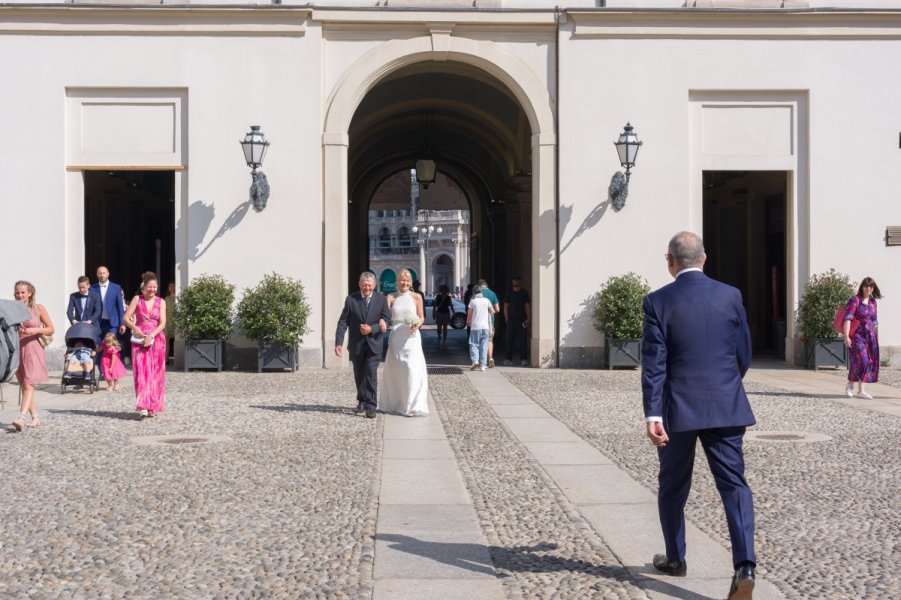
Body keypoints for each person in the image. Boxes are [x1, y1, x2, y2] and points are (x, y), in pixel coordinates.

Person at [641, 232, 756, 600]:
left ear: (670, 261)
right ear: (704, 258)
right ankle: (745, 566)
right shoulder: (731, 295)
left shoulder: (658, 301)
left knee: (673, 487)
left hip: (678, 410)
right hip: (726, 404)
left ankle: (675, 558)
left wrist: (652, 415)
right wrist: (724, 386)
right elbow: (744, 354)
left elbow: (653, 366)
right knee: (734, 486)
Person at [335, 272, 390, 419]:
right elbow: (342, 322)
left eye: (369, 285)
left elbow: (387, 320)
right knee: (359, 374)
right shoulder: (351, 299)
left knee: (370, 373)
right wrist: (338, 343)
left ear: (374, 285)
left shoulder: (381, 299)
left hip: (374, 344)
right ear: (359, 285)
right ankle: (362, 400)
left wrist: (373, 328)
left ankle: (371, 406)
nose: (367, 287)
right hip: (357, 344)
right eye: (364, 285)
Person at [381, 269, 429, 416]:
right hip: (396, 337)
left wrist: (418, 324)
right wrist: (382, 320)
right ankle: (398, 402)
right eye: (402, 280)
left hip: (412, 337)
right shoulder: (391, 297)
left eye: (407, 280)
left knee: (411, 368)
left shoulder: (417, 297)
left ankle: (411, 405)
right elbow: (383, 313)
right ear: (397, 282)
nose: (405, 283)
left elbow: (421, 317)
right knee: (398, 370)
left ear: (411, 282)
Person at [12, 281, 55, 431]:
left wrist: (36, 330)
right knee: (24, 385)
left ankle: (21, 417)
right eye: (17, 292)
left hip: (33, 349)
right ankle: (35, 417)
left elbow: (51, 329)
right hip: (17, 349)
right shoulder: (12, 310)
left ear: (30, 293)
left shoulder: (38, 309)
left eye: (23, 292)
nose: (20, 295)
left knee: (29, 384)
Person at [124, 272, 167, 418]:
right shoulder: (137, 299)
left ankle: (152, 406)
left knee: (155, 373)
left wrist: (152, 335)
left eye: (155, 287)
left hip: (157, 340)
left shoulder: (161, 302)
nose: (152, 290)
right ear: (144, 287)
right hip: (140, 340)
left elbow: (163, 323)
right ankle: (143, 405)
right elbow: (126, 318)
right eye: (150, 287)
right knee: (141, 372)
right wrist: (135, 328)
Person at [842, 277, 882, 399]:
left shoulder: (873, 302)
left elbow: (875, 321)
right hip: (857, 335)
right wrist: (846, 336)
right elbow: (848, 318)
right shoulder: (854, 300)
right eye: (866, 286)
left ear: (873, 288)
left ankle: (861, 391)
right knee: (862, 360)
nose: (868, 288)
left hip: (870, 336)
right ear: (862, 287)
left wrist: (876, 338)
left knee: (866, 362)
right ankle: (850, 384)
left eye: (871, 286)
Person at [91, 266, 126, 357]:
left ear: (108, 274)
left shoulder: (116, 287)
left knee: (111, 346)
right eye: (100, 273)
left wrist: (122, 323)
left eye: (104, 273)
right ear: (97, 275)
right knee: (99, 347)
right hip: (98, 323)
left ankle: (111, 369)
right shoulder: (92, 288)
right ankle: (101, 369)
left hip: (112, 323)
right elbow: (90, 308)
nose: (102, 275)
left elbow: (120, 307)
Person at [503, 276, 531, 366]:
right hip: (511, 320)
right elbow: (505, 307)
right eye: (514, 280)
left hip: (522, 320)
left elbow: (527, 306)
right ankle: (508, 359)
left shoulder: (524, 293)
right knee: (509, 340)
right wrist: (507, 320)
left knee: (523, 340)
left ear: (520, 282)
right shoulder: (509, 293)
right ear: (512, 282)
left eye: (517, 280)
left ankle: (524, 359)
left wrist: (528, 318)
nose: (515, 282)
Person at [466, 285, 495, 371]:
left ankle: (475, 361)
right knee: (484, 345)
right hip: (485, 327)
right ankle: (483, 365)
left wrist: (468, 322)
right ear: (481, 292)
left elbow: (469, 314)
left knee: (474, 344)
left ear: (473, 293)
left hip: (475, 326)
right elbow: (493, 311)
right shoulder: (487, 300)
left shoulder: (473, 301)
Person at [66, 275, 102, 341]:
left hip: (92, 326)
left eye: (83, 287)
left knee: (95, 348)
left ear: (88, 286)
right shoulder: (73, 296)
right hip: (78, 326)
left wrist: (90, 321)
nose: (81, 290)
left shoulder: (95, 295)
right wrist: (73, 320)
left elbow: (98, 311)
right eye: (80, 287)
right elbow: (69, 311)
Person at [477, 278, 500, 367]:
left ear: (479, 286)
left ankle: (481, 361)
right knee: (490, 340)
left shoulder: (476, 293)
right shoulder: (492, 294)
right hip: (490, 321)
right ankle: (490, 357)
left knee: (479, 340)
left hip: (478, 321)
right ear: (486, 285)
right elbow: (497, 309)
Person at [164, 282, 176, 364]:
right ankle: (165, 359)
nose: (172, 288)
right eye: (170, 286)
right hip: (167, 322)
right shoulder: (166, 299)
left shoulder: (178, 297)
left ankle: (177, 358)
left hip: (176, 321)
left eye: (173, 286)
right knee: (166, 341)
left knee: (177, 340)